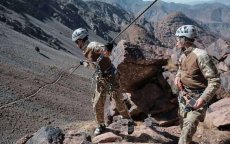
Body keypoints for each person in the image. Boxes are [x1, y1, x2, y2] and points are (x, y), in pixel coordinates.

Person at [72, 28, 134, 135]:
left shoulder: (93, 45)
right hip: (101, 79)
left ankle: (130, 121)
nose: (76, 44)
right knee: (97, 103)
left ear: (81, 40)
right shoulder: (86, 50)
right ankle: (101, 125)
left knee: (118, 102)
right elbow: (93, 63)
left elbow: (105, 52)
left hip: (111, 77)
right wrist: (85, 63)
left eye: (77, 42)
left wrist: (107, 49)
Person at [174, 25, 220, 144]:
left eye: (178, 38)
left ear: (185, 39)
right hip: (184, 97)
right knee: (183, 127)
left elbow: (215, 80)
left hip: (197, 100)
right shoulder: (183, 54)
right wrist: (178, 76)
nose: (176, 41)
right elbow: (181, 69)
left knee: (185, 134)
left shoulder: (201, 56)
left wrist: (203, 99)